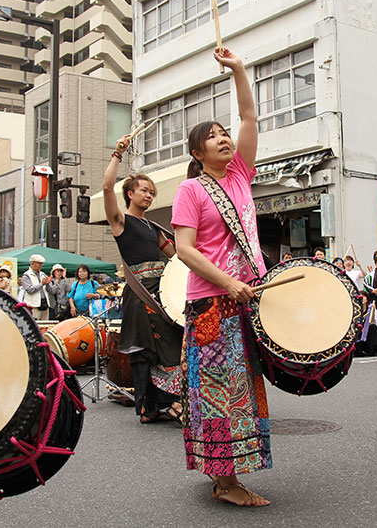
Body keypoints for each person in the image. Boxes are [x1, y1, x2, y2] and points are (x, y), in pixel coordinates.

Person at [171, 46, 271, 507]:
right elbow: (186, 249)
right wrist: (228, 282)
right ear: (197, 151)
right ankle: (225, 481)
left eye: (225, 133)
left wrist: (239, 70)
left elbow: (249, 117)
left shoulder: (240, 177)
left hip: (246, 298)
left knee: (242, 387)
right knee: (216, 390)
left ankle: (228, 473)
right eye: (213, 136)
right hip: (212, 301)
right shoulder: (191, 189)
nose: (225, 138)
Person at [103, 138, 182, 425]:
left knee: (166, 344)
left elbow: (177, 256)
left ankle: (153, 408)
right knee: (154, 348)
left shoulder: (153, 227)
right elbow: (104, 187)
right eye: (144, 190)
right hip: (139, 295)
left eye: (152, 192)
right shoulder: (121, 221)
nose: (149, 195)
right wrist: (118, 154)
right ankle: (165, 404)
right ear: (129, 193)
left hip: (161, 292)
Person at [21, 254, 52, 320]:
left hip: (44, 304)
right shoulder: (26, 275)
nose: (41, 265)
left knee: (45, 325)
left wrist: (47, 284)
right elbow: (29, 290)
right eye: (39, 263)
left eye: (41, 264)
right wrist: (41, 284)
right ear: (32, 263)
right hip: (33, 306)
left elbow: (50, 290)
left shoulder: (42, 274)